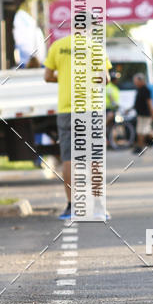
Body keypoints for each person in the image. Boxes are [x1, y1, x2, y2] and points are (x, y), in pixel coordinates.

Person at [44, 30, 111, 219]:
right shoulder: (96, 47)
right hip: (91, 108)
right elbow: (104, 79)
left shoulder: (58, 46)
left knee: (68, 158)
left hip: (67, 109)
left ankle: (71, 207)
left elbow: (47, 76)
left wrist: (65, 78)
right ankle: (98, 207)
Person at [132, 73, 153, 153]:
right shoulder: (139, 89)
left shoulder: (146, 90)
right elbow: (137, 102)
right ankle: (140, 146)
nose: (135, 83)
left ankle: (141, 146)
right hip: (140, 114)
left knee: (143, 131)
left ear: (141, 81)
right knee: (140, 130)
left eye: (136, 81)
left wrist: (152, 113)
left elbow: (149, 102)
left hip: (146, 114)